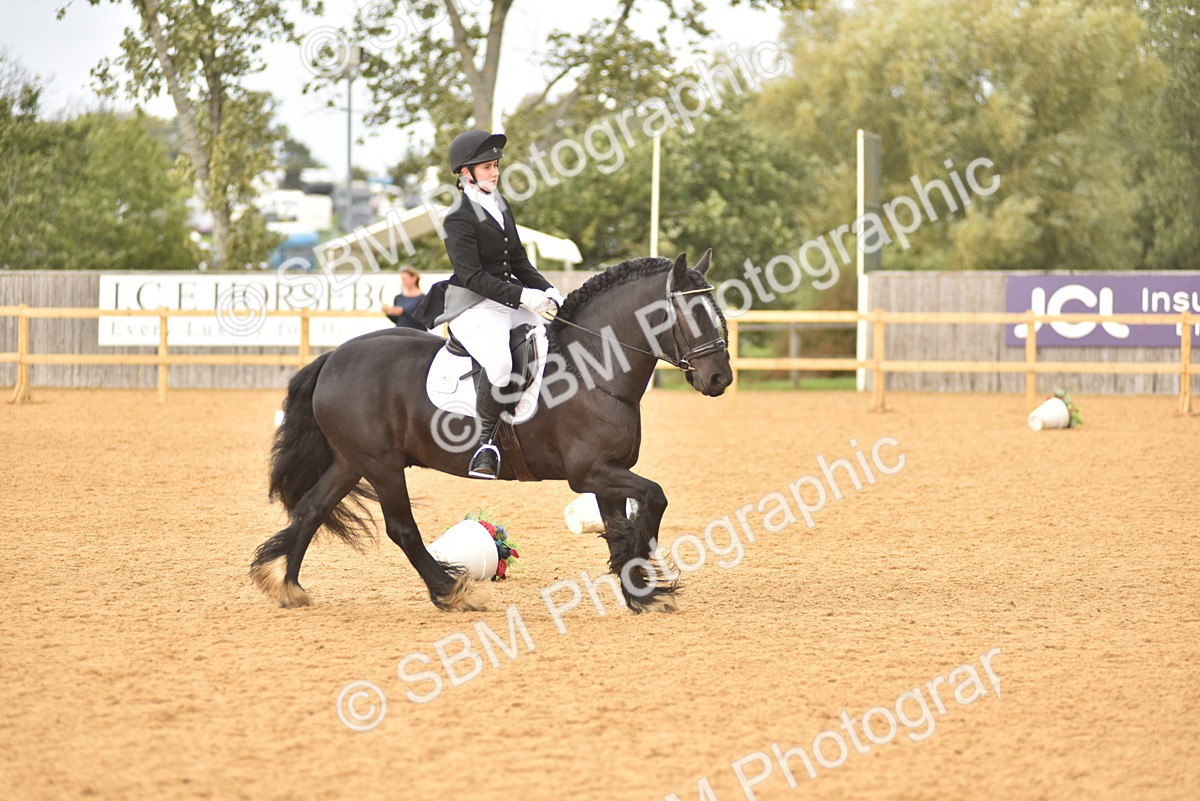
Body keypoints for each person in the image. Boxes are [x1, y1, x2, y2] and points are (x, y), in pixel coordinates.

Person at [412, 129, 564, 479]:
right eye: (487, 168)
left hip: (507, 298)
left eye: (496, 166)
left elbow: (520, 261)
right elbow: (472, 276)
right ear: (466, 173)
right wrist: (524, 296)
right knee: (498, 363)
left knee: (553, 336)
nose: (495, 173)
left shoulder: (499, 205)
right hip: (473, 305)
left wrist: (550, 290)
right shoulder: (457, 218)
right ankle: (485, 445)